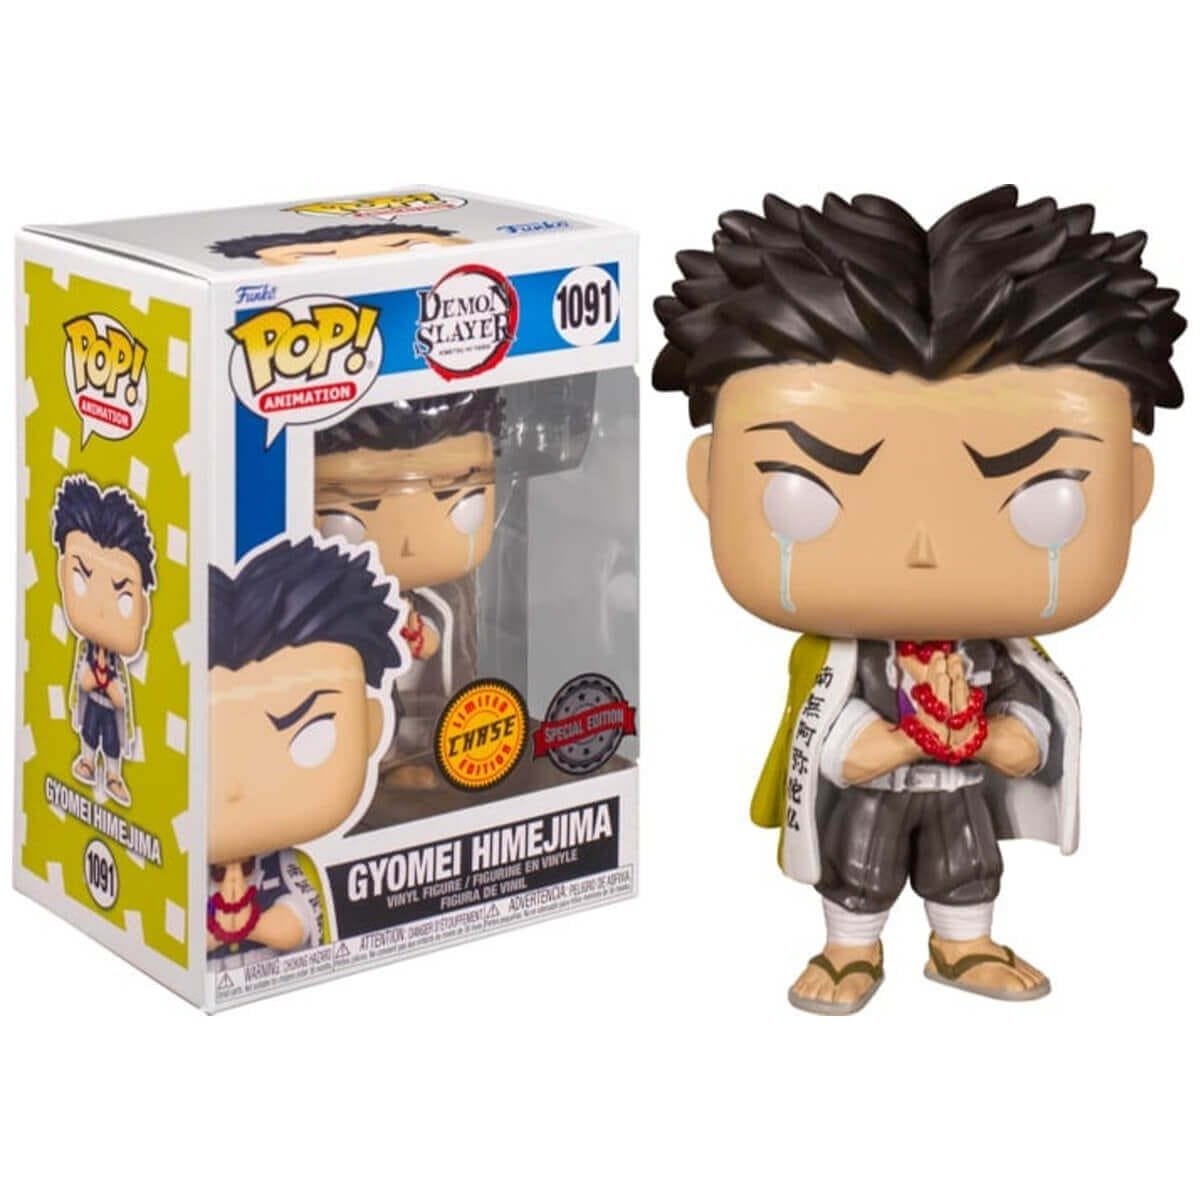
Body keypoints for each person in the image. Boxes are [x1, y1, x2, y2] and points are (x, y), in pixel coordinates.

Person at [653, 185, 1185, 1013]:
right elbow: (828, 738)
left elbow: (1029, 722)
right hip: (879, 789)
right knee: (856, 864)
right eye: (805, 495)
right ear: (710, 485)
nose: (923, 551)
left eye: (1045, 501)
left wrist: (1006, 736)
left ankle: (962, 940)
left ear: (1131, 493)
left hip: (958, 789)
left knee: (966, 861)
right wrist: (898, 740)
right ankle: (849, 947)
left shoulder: (998, 654)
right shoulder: (845, 661)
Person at [207, 536, 402, 967]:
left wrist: (245, 924)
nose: (237, 787)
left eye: (312, 736)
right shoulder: (186, 872)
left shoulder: (284, 867)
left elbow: (298, 923)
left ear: (371, 727)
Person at [314, 390, 502, 789]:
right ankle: (381, 761)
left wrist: (418, 634)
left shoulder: (441, 599)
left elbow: (436, 642)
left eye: (462, 504)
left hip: (430, 718)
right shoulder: (326, 608)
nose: (407, 545)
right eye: (343, 519)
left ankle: (407, 755)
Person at [52, 476, 156, 807]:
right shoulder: (84, 650)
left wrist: (115, 693)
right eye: (81, 579)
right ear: (62, 573)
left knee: (111, 741)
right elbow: (78, 681)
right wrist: (86, 684)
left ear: (144, 611)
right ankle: (86, 760)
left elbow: (124, 699)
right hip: (93, 701)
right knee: (88, 732)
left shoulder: (116, 664)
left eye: (122, 596)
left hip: (109, 704)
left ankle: (113, 775)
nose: (100, 609)